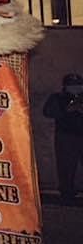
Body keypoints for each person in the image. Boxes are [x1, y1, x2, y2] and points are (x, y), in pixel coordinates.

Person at [43, 73, 83, 202]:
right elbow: (48, 112)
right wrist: (67, 110)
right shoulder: (58, 97)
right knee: (66, 166)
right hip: (66, 136)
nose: (76, 88)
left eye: (78, 85)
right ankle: (67, 193)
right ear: (65, 86)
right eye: (72, 85)